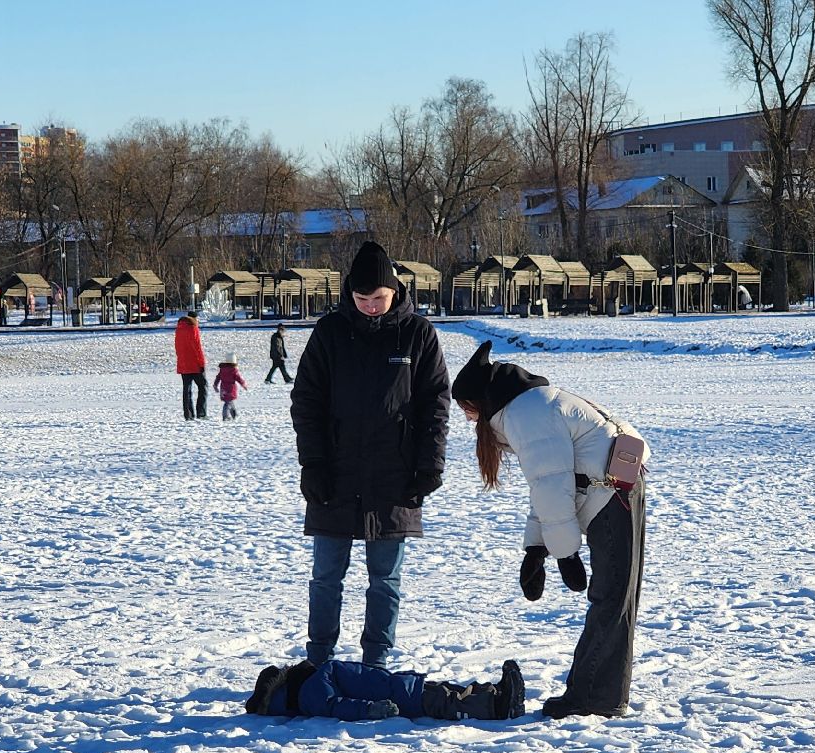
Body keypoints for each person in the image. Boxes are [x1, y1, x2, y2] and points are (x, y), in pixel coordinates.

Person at [451, 342, 648, 718]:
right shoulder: (529, 406)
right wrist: (537, 549)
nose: (467, 419)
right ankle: (595, 692)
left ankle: (594, 698)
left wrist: (564, 553)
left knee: (611, 597)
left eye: (467, 409)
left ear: (481, 400)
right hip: (615, 486)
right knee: (614, 596)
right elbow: (546, 485)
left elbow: (552, 486)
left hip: (611, 492)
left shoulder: (527, 415)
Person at [291, 240, 450, 670]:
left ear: (394, 291)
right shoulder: (329, 333)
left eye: (378, 298)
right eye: (362, 299)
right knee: (326, 576)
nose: (371, 307)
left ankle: (376, 662)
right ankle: (318, 659)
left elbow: (436, 404)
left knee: (385, 578)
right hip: (335, 474)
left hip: (394, 477)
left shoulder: (418, 334)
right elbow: (306, 401)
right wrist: (313, 464)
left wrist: (429, 465)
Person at [246, 658, 524, 721]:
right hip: (395, 696)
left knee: (446, 691)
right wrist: (371, 709)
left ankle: (496, 693)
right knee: (446, 701)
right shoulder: (309, 693)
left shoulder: (314, 681)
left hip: (396, 686)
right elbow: (337, 706)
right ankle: (498, 707)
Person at [175, 312, 208, 420]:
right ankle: (201, 413)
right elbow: (197, 347)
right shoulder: (193, 328)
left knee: (187, 390)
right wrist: (202, 363)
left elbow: (177, 346)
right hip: (195, 364)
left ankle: (188, 414)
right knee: (203, 387)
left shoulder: (179, 329)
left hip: (183, 363)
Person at [214, 352, 247, 420]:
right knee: (228, 402)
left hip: (223, 387)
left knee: (230, 402)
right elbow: (238, 378)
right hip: (231, 388)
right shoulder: (233, 370)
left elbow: (218, 377)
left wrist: (215, 385)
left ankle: (234, 415)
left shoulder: (222, 369)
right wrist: (243, 384)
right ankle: (225, 416)